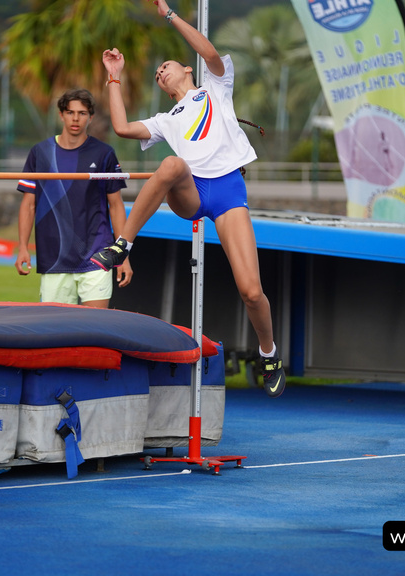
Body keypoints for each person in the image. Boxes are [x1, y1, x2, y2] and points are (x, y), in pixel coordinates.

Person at [92, 0, 285, 397]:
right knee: (171, 165)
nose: (161, 70)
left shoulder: (215, 86)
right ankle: (123, 242)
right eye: (157, 72)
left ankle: (269, 352)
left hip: (229, 191)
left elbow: (210, 52)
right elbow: (122, 126)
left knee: (251, 291)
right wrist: (114, 77)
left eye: (168, 64)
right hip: (193, 192)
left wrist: (169, 15)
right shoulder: (167, 120)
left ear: (187, 69)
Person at [15, 88, 133, 308]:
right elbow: (28, 205)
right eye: (70, 112)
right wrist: (23, 246)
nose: (76, 118)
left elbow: (116, 206)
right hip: (54, 257)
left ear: (91, 117)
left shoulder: (104, 154)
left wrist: (123, 255)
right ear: (61, 114)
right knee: (55, 335)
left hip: (98, 255)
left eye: (82, 113)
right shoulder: (40, 153)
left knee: (96, 329)